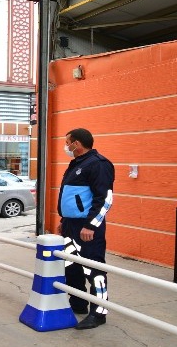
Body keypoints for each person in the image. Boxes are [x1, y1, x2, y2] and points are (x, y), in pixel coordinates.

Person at [58, 128, 115, 330]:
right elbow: (73, 196)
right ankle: (78, 303)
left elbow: (105, 199)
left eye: (67, 142)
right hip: (70, 226)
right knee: (71, 266)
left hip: (87, 228)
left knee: (94, 270)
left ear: (77, 144)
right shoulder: (76, 164)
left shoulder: (98, 164)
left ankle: (98, 313)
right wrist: (64, 221)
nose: (66, 146)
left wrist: (91, 225)